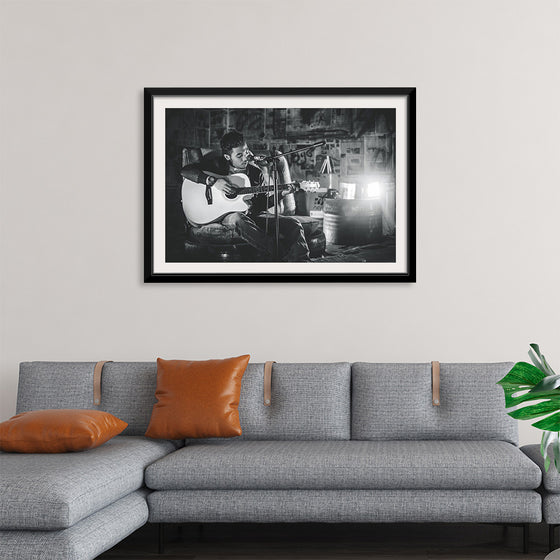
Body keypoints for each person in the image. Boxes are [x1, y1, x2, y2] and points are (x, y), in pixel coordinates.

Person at [181, 130, 310, 262]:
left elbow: (262, 204)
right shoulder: (216, 165)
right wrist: (213, 181)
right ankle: (281, 257)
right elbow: (185, 171)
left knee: (294, 224)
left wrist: (281, 194)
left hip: (251, 215)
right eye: (239, 155)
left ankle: (302, 263)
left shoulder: (255, 173)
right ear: (227, 157)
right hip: (225, 215)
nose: (245, 158)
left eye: (246, 151)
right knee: (238, 218)